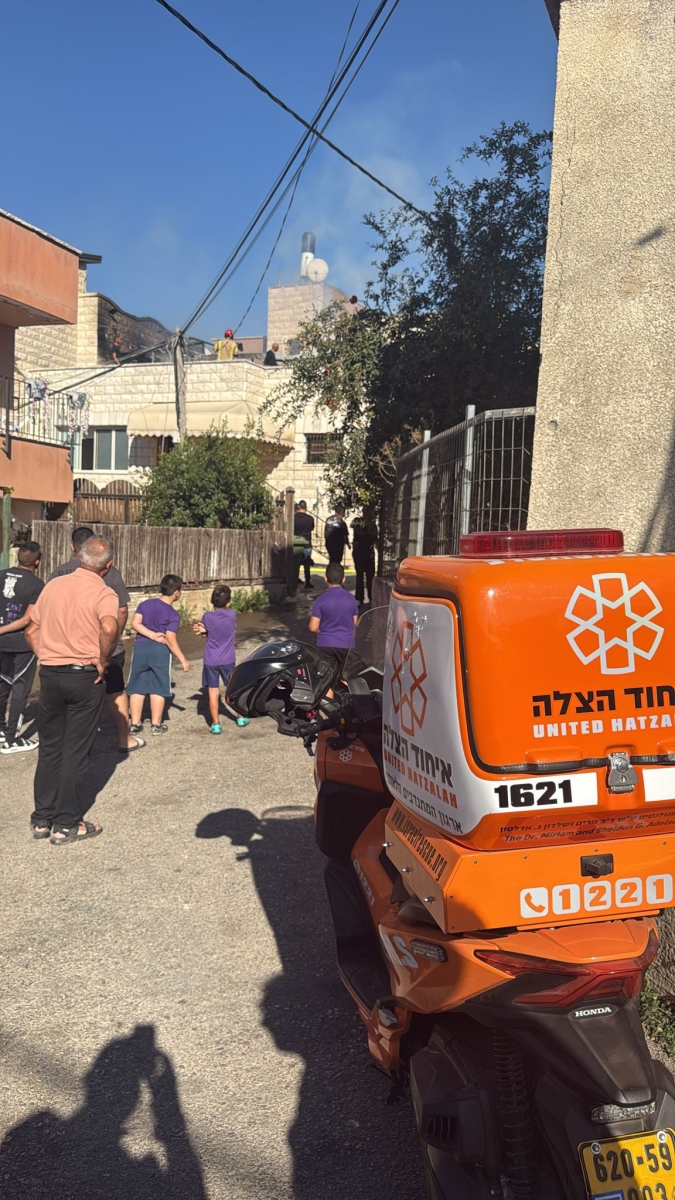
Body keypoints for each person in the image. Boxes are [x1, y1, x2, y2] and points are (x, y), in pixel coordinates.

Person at [25, 535, 119, 844]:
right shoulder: (103, 592)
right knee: (75, 750)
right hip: (84, 677)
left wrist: (47, 654)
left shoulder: (53, 586)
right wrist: (103, 661)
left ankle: (42, 818)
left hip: (51, 674)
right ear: (108, 565)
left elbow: (31, 630)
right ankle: (65, 823)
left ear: (80, 556)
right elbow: (109, 627)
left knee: (50, 747)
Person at [50, 527, 143, 754]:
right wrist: (114, 637)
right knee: (116, 691)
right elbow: (121, 610)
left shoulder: (59, 573)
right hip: (105, 646)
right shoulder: (109, 571)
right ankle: (124, 739)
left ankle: (76, 744)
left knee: (71, 700)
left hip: (66, 648)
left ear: (73, 547)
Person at [127, 574, 190, 734]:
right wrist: (182, 659)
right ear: (176, 592)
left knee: (137, 686)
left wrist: (150, 634)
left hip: (141, 648)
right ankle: (156, 725)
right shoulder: (173, 614)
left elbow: (135, 623)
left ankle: (135, 724)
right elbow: (170, 639)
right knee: (159, 686)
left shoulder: (145, 604)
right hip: (160, 651)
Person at [0, 542, 44, 753]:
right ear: (37, 561)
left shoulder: (1, 575)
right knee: (20, 689)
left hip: (2, 643)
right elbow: (28, 619)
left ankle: (1, 728)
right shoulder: (36, 584)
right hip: (21, 643)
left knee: (3, 684)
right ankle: (11, 739)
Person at [193, 584, 250, 733]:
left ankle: (216, 724)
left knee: (213, 691)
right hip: (228, 659)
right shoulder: (232, 615)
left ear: (211, 601)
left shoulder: (207, 617)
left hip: (211, 660)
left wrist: (204, 630)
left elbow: (206, 635)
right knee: (233, 689)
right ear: (228, 603)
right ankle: (240, 717)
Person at [308, 562, 359, 683]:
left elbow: (313, 627)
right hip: (347, 644)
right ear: (344, 579)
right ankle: (345, 693)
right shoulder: (351, 599)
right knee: (345, 678)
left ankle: (329, 695)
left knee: (326, 681)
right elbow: (355, 623)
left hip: (325, 644)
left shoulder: (321, 600)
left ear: (325, 579)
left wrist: (324, 632)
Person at [351, 508, 378, 606]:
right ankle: (370, 597)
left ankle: (360, 597)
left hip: (359, 553)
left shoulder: (357, 523)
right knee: (369, 577)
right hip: (368, 554)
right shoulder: (371, 525)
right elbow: (375, 539)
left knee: (360, 576)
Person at [293, 500, 315, 590]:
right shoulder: (310, 519)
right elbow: (312, 528)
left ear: (298, 507)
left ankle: (295, 580)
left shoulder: (294, 518)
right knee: (307, 564)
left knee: (296, 564)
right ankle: (308, 582)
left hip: (296, 543)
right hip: (307, 543)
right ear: (306, 507)